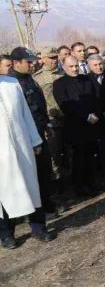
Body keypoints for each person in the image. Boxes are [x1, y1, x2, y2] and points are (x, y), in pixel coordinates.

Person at [0, 74, 55, 249]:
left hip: (22, 145)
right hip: (2, 153)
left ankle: (39, 227)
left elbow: (26, 114)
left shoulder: (12, 83)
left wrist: (34, 140)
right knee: (4, 193)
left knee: (32, 187)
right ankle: (6, 234)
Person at [8, 47, 59, 214]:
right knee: (33, 174)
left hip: (39, 130)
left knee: (44, 170)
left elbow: (38, 105)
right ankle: (36, 210)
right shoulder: (11, 83)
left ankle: (46, 204)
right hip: (25, 136)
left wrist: (46, 125)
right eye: (28, 62)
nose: (32, 65)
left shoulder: (28, 78)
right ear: (16, 63)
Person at [54, 56, 103, 196]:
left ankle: (92, 183)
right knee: (78, 158)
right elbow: (66, 105)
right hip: (75, 127)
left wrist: (95, 114)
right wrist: (86, 116)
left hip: (92, 124)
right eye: (71, 66)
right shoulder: (59, 84)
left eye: (76, 66)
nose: (75, 69)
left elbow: (97, 97)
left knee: (91, 155)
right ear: (63, 67)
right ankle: (80, 188)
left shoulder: (87, 79)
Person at [33, 47, 66, 193]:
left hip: (68, 119)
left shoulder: (63, 73)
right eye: (51, 57)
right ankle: (57, 191)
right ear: (43, 59)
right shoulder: (37, 79)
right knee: (54, 156)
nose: (54, 60)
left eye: (56, 57)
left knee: (70, 152)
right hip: (52, 122)